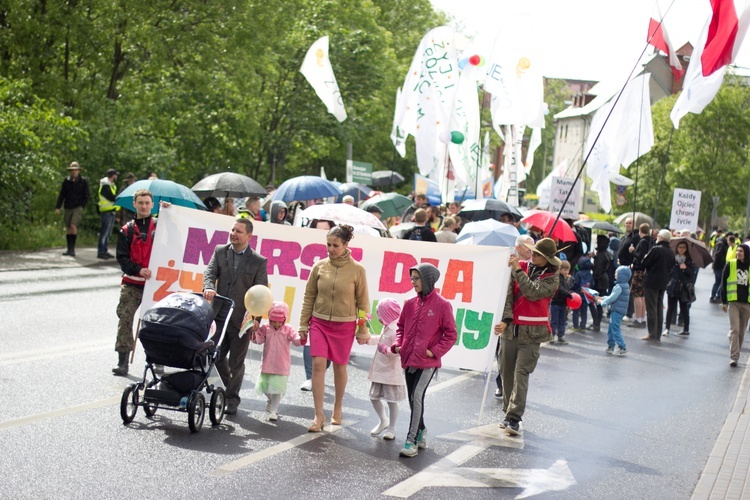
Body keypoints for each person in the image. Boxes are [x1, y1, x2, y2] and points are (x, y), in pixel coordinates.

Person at [298, 224, 370, 432]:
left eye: (335, 245)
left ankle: (337, 408)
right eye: (328, 244)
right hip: (319, 322)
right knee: (318, 365)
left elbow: (363, 303)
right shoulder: (319, 267)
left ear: (346, 245)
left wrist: (362, 327)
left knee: (340, 367)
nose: (330, 249)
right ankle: (318, 415)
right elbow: (309, 296)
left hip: (345, 325)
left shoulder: (358, 270)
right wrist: (304, 323)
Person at [203, 218, 269, 415]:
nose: (234, 234)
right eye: (232, 230)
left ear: (249, 236)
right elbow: (209, 272)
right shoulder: (220, 250)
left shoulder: (259, 261)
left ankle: (232, 398)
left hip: (242, 320)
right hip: (218, 315)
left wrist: (256, 319)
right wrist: (208, 286)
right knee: (215, 356)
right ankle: (223, 388)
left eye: (239, 231)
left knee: (236, 362)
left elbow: (261, 291)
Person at [494, 238, 560, 437]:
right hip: (510, 330)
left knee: (521, 374)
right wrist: (505, 318)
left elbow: (532, 292)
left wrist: (517, 270)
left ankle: (514, 418)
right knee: (505, 373)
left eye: (538, 254)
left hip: (532, 334)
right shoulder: (520, 265)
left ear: (548, 259)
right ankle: (507, 413)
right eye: (533, 251)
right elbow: (507, 295)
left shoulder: (552, 278)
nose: (533, 255)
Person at [392, 263, 457, 457]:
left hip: (427, 363)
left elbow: (451, 334)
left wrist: (434, 352)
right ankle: (421, 430)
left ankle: (411, 440)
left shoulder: (443, 305)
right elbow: (401, 327)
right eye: (411, 278)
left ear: (427, 279)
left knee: (416, 396)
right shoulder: (410, 303)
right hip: (408, 359)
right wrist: (398, 343)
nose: (413, 282)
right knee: (413, 399)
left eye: (417, 278)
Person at [112, 189, 156, 376]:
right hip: (132, 283)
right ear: (135, 204)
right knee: (125, 318)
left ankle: (157, 360)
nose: (144, 206)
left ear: (152, 205)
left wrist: (171, 212)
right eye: (141, 203)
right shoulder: (126, 230)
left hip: (155, 285)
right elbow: (121, 258)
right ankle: (123, 361)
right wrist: (138, 270)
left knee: (157, 324)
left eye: (147, 203)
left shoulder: (163, 227)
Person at [251, 301, 307, 421]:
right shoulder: (265, 328)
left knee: (277, 389)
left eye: (279, 321)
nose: (276, 324)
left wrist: (301, 339)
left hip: (282, 365)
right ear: (270, 319)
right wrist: (253, 332)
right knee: (265, 387)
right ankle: (271, 400)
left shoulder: (288, 329)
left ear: (284, 319)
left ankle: (274, 411)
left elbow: (296, 340)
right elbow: (259, 340)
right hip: (267, 363)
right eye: (273, 320)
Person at [299, 218, 335, 391]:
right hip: (315, 307)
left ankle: (318, 372)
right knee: (309, 342)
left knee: (327, 354)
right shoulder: (315, 260)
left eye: (325, 230)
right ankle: (310, 377)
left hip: (334, 314)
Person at [366, 298, 406, 441]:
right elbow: (380, 340)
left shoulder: (396, 330)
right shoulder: (387, 327)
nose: (377, 316)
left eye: (379, 312)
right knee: (374, 397)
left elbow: (398, 351)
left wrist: (386, 350)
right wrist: (368, 339)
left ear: (387, 313)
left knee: (391, 401)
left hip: (390, 373)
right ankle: (383, 420)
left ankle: (392, 428)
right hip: (380, 371)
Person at [640, 229, 675, 342]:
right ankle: (657, 333)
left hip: (651, 281)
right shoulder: (671, 252)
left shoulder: (656, 249)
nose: (657, 238)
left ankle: (652, 333)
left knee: (651, 307)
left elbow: (644, 263)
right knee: (659, 307)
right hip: (663, 282)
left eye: (658, 236)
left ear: (662, 238)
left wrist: (646, 256)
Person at [722, 243, 750, 367]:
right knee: (735, 329)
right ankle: (734, 357)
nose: (738, 253)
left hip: (747, 304)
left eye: (741, 251)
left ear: (746, 253)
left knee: (741, 332)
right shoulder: (731, 264)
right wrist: (724, 302)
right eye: (737, 250)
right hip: (734, 302)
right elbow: (723, 283)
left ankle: (735, 350)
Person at [55, 161, 90, 257]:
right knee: (68, 227)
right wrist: (58, 206)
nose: (74, 172)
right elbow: (62, 194)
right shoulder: (66, 181)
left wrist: (83, 205)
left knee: (73, 225)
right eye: (72, 170)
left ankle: (73, 249)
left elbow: (86, 194)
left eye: (76, 170)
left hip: (78, 207)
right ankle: (69, 248)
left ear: (78, 171)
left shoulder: (83, 181)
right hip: (68, 206)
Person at [598, 266, 631, 356]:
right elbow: (613, 296)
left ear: (622, 276)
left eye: (617, 274)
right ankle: (611, 346)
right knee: (612, 328)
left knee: (615, 329)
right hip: (620, 310)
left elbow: (612, 298)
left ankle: (622, 346)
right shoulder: (625, 285)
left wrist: (603, 302)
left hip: (617, 310)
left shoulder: (619, 286)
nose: (615, 275)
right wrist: (603, 297)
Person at [664, 240, 695, 337]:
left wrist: (685, 268)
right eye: (680, 247)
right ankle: (667, 328)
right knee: (670, 308)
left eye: (683, 247)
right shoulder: (673, 259)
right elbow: (668, 270)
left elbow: (691, 275)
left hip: (683, 288)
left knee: (684, 309)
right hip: (673, 286)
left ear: (686, 249)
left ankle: (686, 329)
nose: (681, 249)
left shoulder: (689, 260)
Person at [629, 223, 652, 329]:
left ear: (640, 231)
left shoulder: (643, 242)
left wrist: (633, 251)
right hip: (645, 271)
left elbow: (640, 256)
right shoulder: (650, 241)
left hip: (639, 271)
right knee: (642, 295)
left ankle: (638, 318)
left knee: (637, 295)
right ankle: (642, 318)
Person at [96, 168, 120, 260]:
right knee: (104, 233)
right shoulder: (105, 186)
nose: (116, 177)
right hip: (106, 211)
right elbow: (111, 197)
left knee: (108, 233)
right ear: (113, 175)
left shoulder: (111, 185)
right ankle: (101, 251)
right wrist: (118, 197)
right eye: (115, 175)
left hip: (111, 211)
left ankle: (104, 250)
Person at [590, 235, 611, 332]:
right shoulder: (606, 253)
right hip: (604, 279)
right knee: (599, 302)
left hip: (599, 280)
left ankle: (596, 322)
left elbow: (597, 270)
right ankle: (597, 322)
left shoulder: (600, 255)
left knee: (594, 302)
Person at [550, 260, 572, 344]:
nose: (566, 272)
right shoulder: (557, 277)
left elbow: (567, 289)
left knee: (562, 320)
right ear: (560, 269)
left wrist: (571, 293)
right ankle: (552, 335)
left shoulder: (567, 279)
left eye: (568, 270)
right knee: (554, 320)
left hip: (563, 303)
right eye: (565, 270)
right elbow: (560, 289)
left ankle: (561, 336)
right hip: (556, 302)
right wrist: (568, 294)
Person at [571, 256, 594, 332]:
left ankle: (575, 326)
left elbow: (576, 284)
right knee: (584, 312)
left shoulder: (578, 274)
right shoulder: (590, 275)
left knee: (575, 311)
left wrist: (571, 289)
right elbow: (592, 284)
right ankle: (583, 326)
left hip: (578, 295)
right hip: (586, 296)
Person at [712, 231, 730, 303]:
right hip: (719, 266)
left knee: (718, 282)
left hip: (718, 266)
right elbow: (718, 255)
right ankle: (716, 296)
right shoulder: (722, 244)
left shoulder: (722, 243)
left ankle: (714, 296)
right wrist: (723, 263)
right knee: (722, 282)